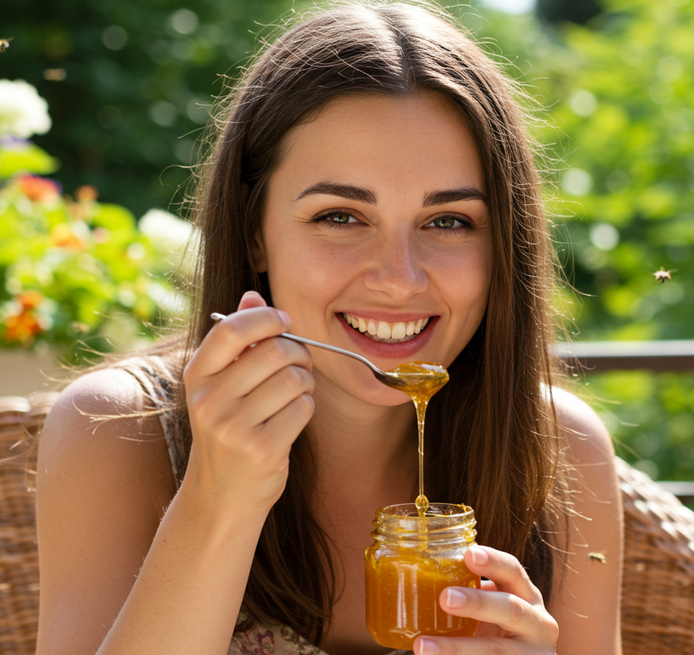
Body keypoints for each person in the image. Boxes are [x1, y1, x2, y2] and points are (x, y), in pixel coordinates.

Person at [33, 2, 623, 654]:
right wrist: (216, 498)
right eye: (340, 217)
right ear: (257, 232)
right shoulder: (121, 432)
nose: (399, 278)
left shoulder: (562, 450)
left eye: (449, 221)